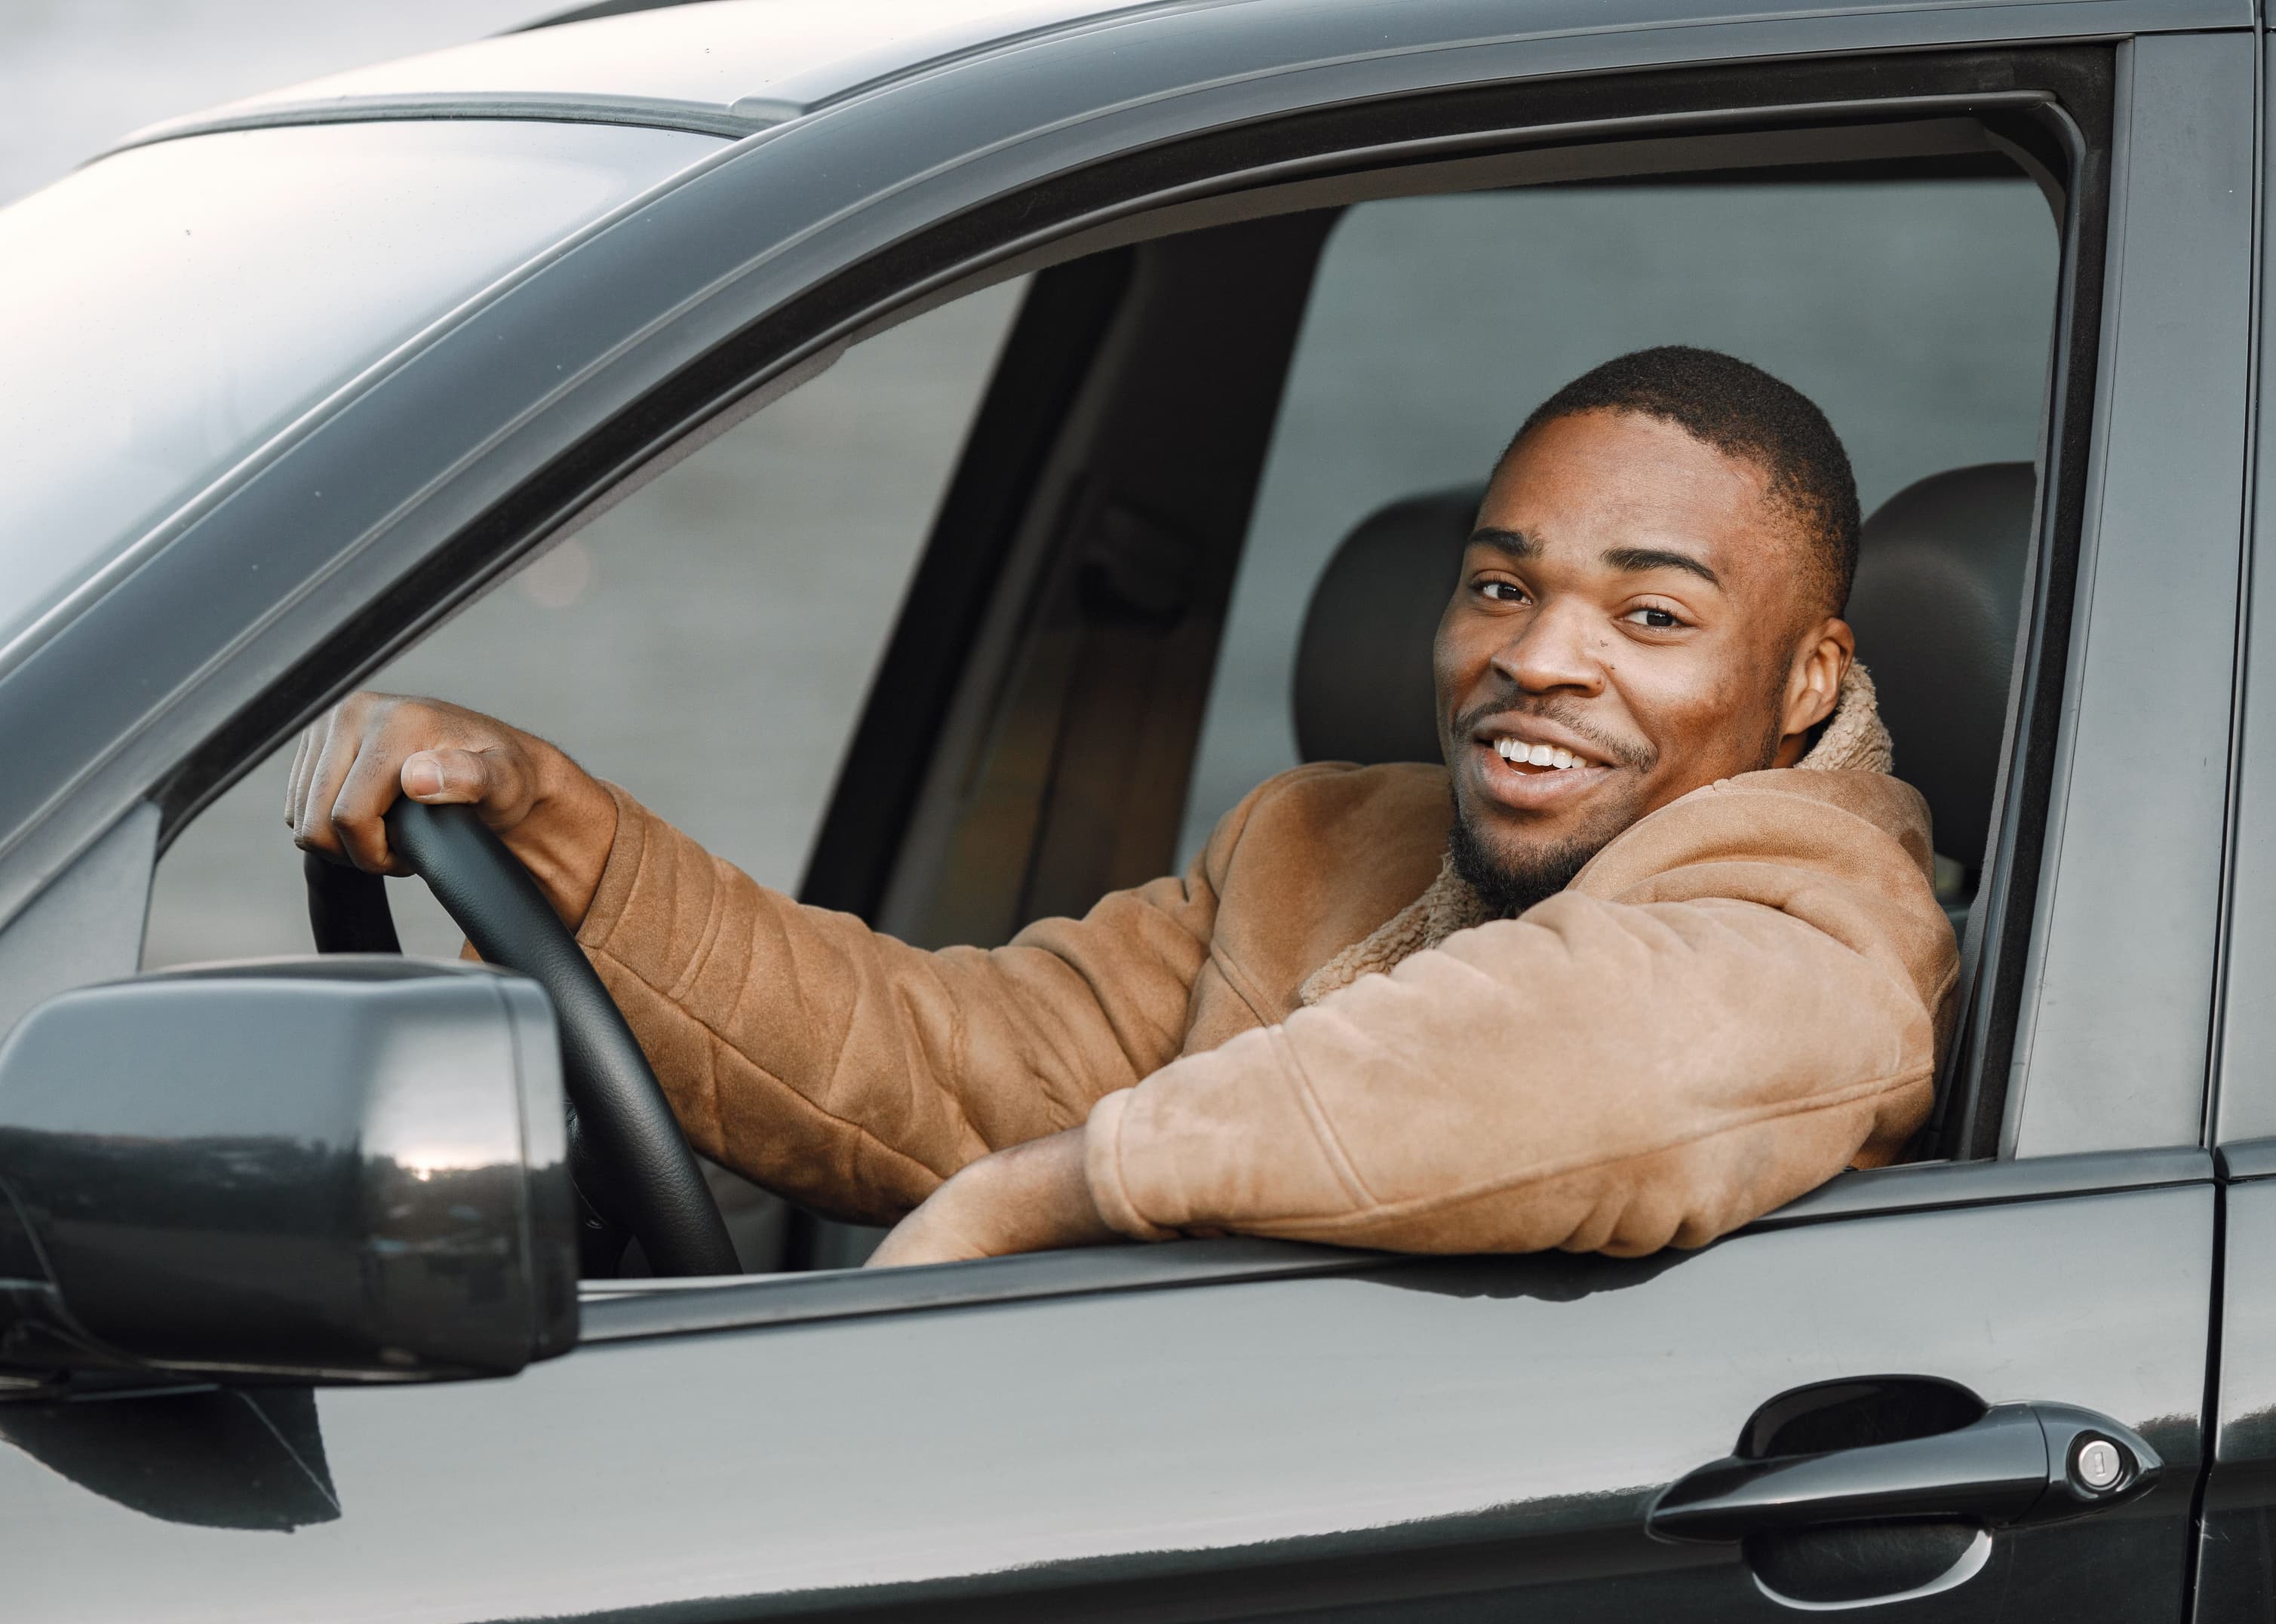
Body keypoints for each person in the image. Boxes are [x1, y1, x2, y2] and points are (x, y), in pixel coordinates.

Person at [289, 347, 1960, 1266]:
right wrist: (568, 835)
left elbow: (1566, 1047)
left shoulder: (1817, 922)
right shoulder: (1320, 846)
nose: (1543, 660)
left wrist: (1047, 1193)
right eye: (1500, 586)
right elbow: (943, 1066)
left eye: (1651, 617)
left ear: (1809, 677)